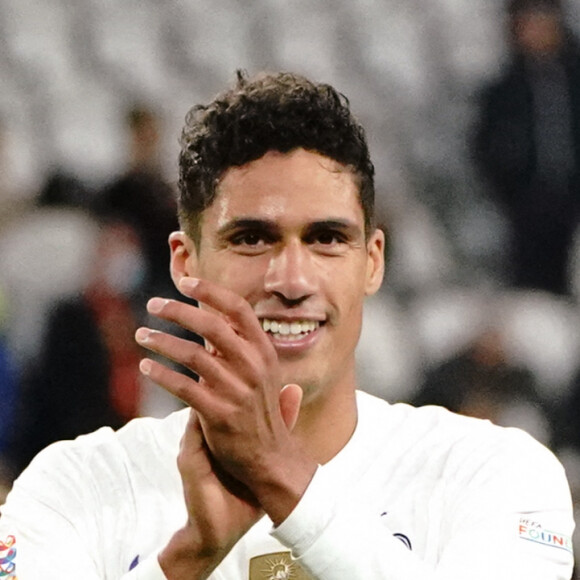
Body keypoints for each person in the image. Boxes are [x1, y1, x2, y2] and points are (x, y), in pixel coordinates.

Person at [0, 70, 575, 579]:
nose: (292, 280)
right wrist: (187, 561)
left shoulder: (497, 474)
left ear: (372, 261)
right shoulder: (74, 487)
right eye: (251, 238)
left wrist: (285, 481)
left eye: (327, 239)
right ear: (185, 261)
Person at [473, 0, 580, 296]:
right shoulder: (504, 89)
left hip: (573, 200)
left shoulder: (572, 79)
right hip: (528, 207)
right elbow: (485, 148)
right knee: (533, 293)